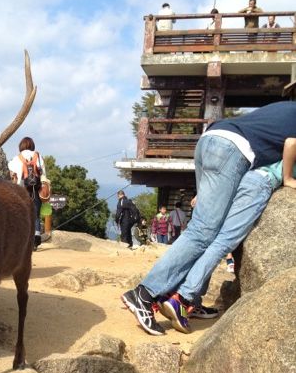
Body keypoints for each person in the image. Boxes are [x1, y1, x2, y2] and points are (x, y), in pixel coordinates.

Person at [121, 100, 296, 336]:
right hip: (233, 150)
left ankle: (190, 300)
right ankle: (144, 294)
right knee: (203, 232)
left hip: (212, 139)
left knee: (206, 228)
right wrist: (287, 178)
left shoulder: (285, 107)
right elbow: (291, 142)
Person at [158, 153, 296, 332]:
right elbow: (291, 142)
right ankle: (182, 298)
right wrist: (287, 178)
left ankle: (180, 294)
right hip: (262, 183)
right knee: (224, 242)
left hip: (246, 177)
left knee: (212, 238)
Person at [8, 137, 46, 250]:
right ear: (32, 145)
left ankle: (23, 240)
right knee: (35, 215)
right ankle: (36, 239)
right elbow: (43, 174)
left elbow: (12, 173)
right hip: (36, 189)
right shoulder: (38, 156)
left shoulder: (16, 158)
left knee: (22, 215)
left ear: (21, 146)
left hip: (21, 191)